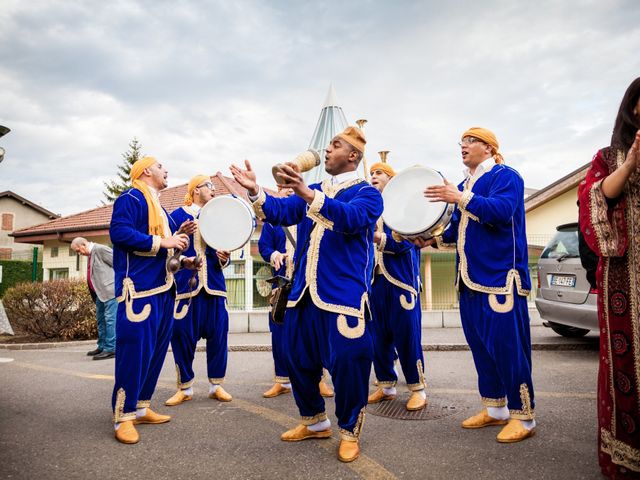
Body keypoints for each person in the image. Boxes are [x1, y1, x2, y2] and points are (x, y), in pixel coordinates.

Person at [230, 126, 383, 463]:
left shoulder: (368, 194)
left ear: (353, 156)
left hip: (342, 295)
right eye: (328, 145)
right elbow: (281, 213)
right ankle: (314, 422)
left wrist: (308, 194)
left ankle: (348, 431)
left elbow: (353, 220)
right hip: (303, 294)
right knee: (297, 359)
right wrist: (256, 191)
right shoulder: (313, 189)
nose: (326, 150)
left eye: (335, 145)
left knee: (348, 364)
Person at [417, 127, 536, 443]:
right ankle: (495, 409)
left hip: (500, 278)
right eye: (461, 142)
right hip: (469, 280)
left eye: (470, 141)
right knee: (482, 348)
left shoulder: (506, 176)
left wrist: (460, 197)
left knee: (509, 349)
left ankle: (523, 416)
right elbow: (456, 230)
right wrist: (428, 238)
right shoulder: (462, 186)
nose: (463, 147)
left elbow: (500, 212)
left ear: (489, 147)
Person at [578, 77, 640, 479]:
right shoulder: (609, 156)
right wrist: (631, 163)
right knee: (629, 369)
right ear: (633, 108)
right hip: (626, 281)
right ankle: (629, 453)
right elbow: (594, 199)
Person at [109, 156, 195, 445]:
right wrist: (165, 242)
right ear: (145, 171)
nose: (166, 169)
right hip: (139, 291)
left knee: (155, 353)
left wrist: (185, 255)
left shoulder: (161, 208)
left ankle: (142, 405)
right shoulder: (131, 198)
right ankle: (124, 415)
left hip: (163, 289)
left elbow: (169, 250)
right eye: (160, 166)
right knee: (134, 354)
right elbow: (119, 233)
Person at [164, 175, 234, 406]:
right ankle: (184, 387)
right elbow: (167, 252)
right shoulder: (176, 216)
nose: (214, 190)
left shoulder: (217, 217)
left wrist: (225, 258)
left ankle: (217, 385)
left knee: (218, 337)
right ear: (195, 190)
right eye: (209, 186)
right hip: (186, 289)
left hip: (214, 286)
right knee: (182, 337)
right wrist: (183, 254)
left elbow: (226, 252)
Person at [258, 197, 335, 399]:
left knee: (312, 333)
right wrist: (274, 254)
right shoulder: (272, 223)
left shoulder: (309, 215)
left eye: (291, 187)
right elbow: (264, 247)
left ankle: (319, 380)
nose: (287, 190)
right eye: (283, 187)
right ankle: (281, 381)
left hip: (306, 283)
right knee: (279, 334)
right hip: (282, 285)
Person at [367, 162, 427, 411]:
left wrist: (378, 237)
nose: (373, 176)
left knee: (407, 337)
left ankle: (418, 388)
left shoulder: (402, 208)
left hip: (401, 282)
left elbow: (407, 243)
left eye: (378, 173)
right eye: (371, 173)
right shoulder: (369, 208)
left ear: (391, 179)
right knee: (377, 338)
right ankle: (386, 385)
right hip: (374, 281)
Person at [70, 237, 116, 360]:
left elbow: (118, 264)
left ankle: (111, 349)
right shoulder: (91, 254)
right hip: (99, 294)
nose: (79, 254)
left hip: (110, 292)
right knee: (101, 321)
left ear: (83, 244)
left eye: (78, 251)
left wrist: (114, 283)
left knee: (110, 320)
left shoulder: (100, 249)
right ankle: (102, 346)